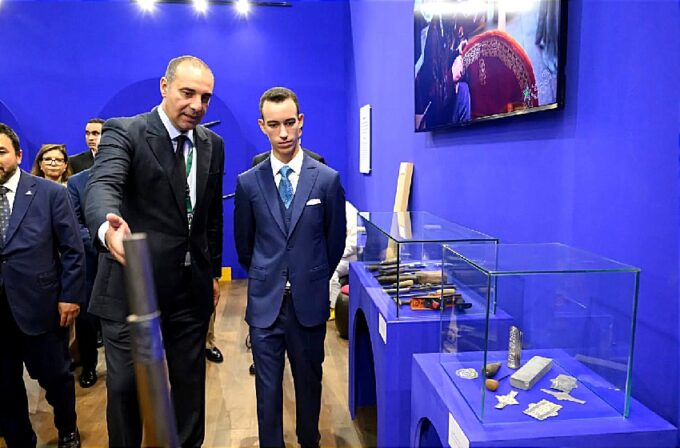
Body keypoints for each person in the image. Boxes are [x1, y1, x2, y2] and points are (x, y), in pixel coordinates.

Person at [84, 55, 224, 447]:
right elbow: (102, 187)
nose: (197, 105)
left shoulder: (213, 144)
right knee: (127, 389)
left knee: (189, 387)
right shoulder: (125, 131)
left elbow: (211, 216)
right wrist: (107, 230)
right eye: (187, 93)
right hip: (133, 289)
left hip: (189, 291)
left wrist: (213, 272)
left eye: (205, 98)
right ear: (164, 87)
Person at [234, 87, 346, 447]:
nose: (283, 133)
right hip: (265, 305)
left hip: (308, 305)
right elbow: (245, 246)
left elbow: (334, 242)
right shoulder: (248, 183)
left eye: (288, 123)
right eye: (273, 125)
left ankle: (309, 440)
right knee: (266, 391)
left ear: (300, 122)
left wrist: (308, 275)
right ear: (262, 126)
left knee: (309, 383)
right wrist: (271, 275)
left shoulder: (326, 180)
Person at [0, 123, 85, 448]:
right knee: (5, 386)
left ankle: (68, 429)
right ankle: (20, 439)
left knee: (56, 378)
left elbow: (72, 249)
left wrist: (70, 295)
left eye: (1, 152)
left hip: (42, 307)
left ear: (19, 155)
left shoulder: (50, 194)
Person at [67, 169, 100, 388]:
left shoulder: (133, 173)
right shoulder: (76, 182)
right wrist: (103, 241)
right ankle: (89, 366)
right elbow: (75, 224)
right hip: (89, 261)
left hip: (126, 261)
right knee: (86, 321)